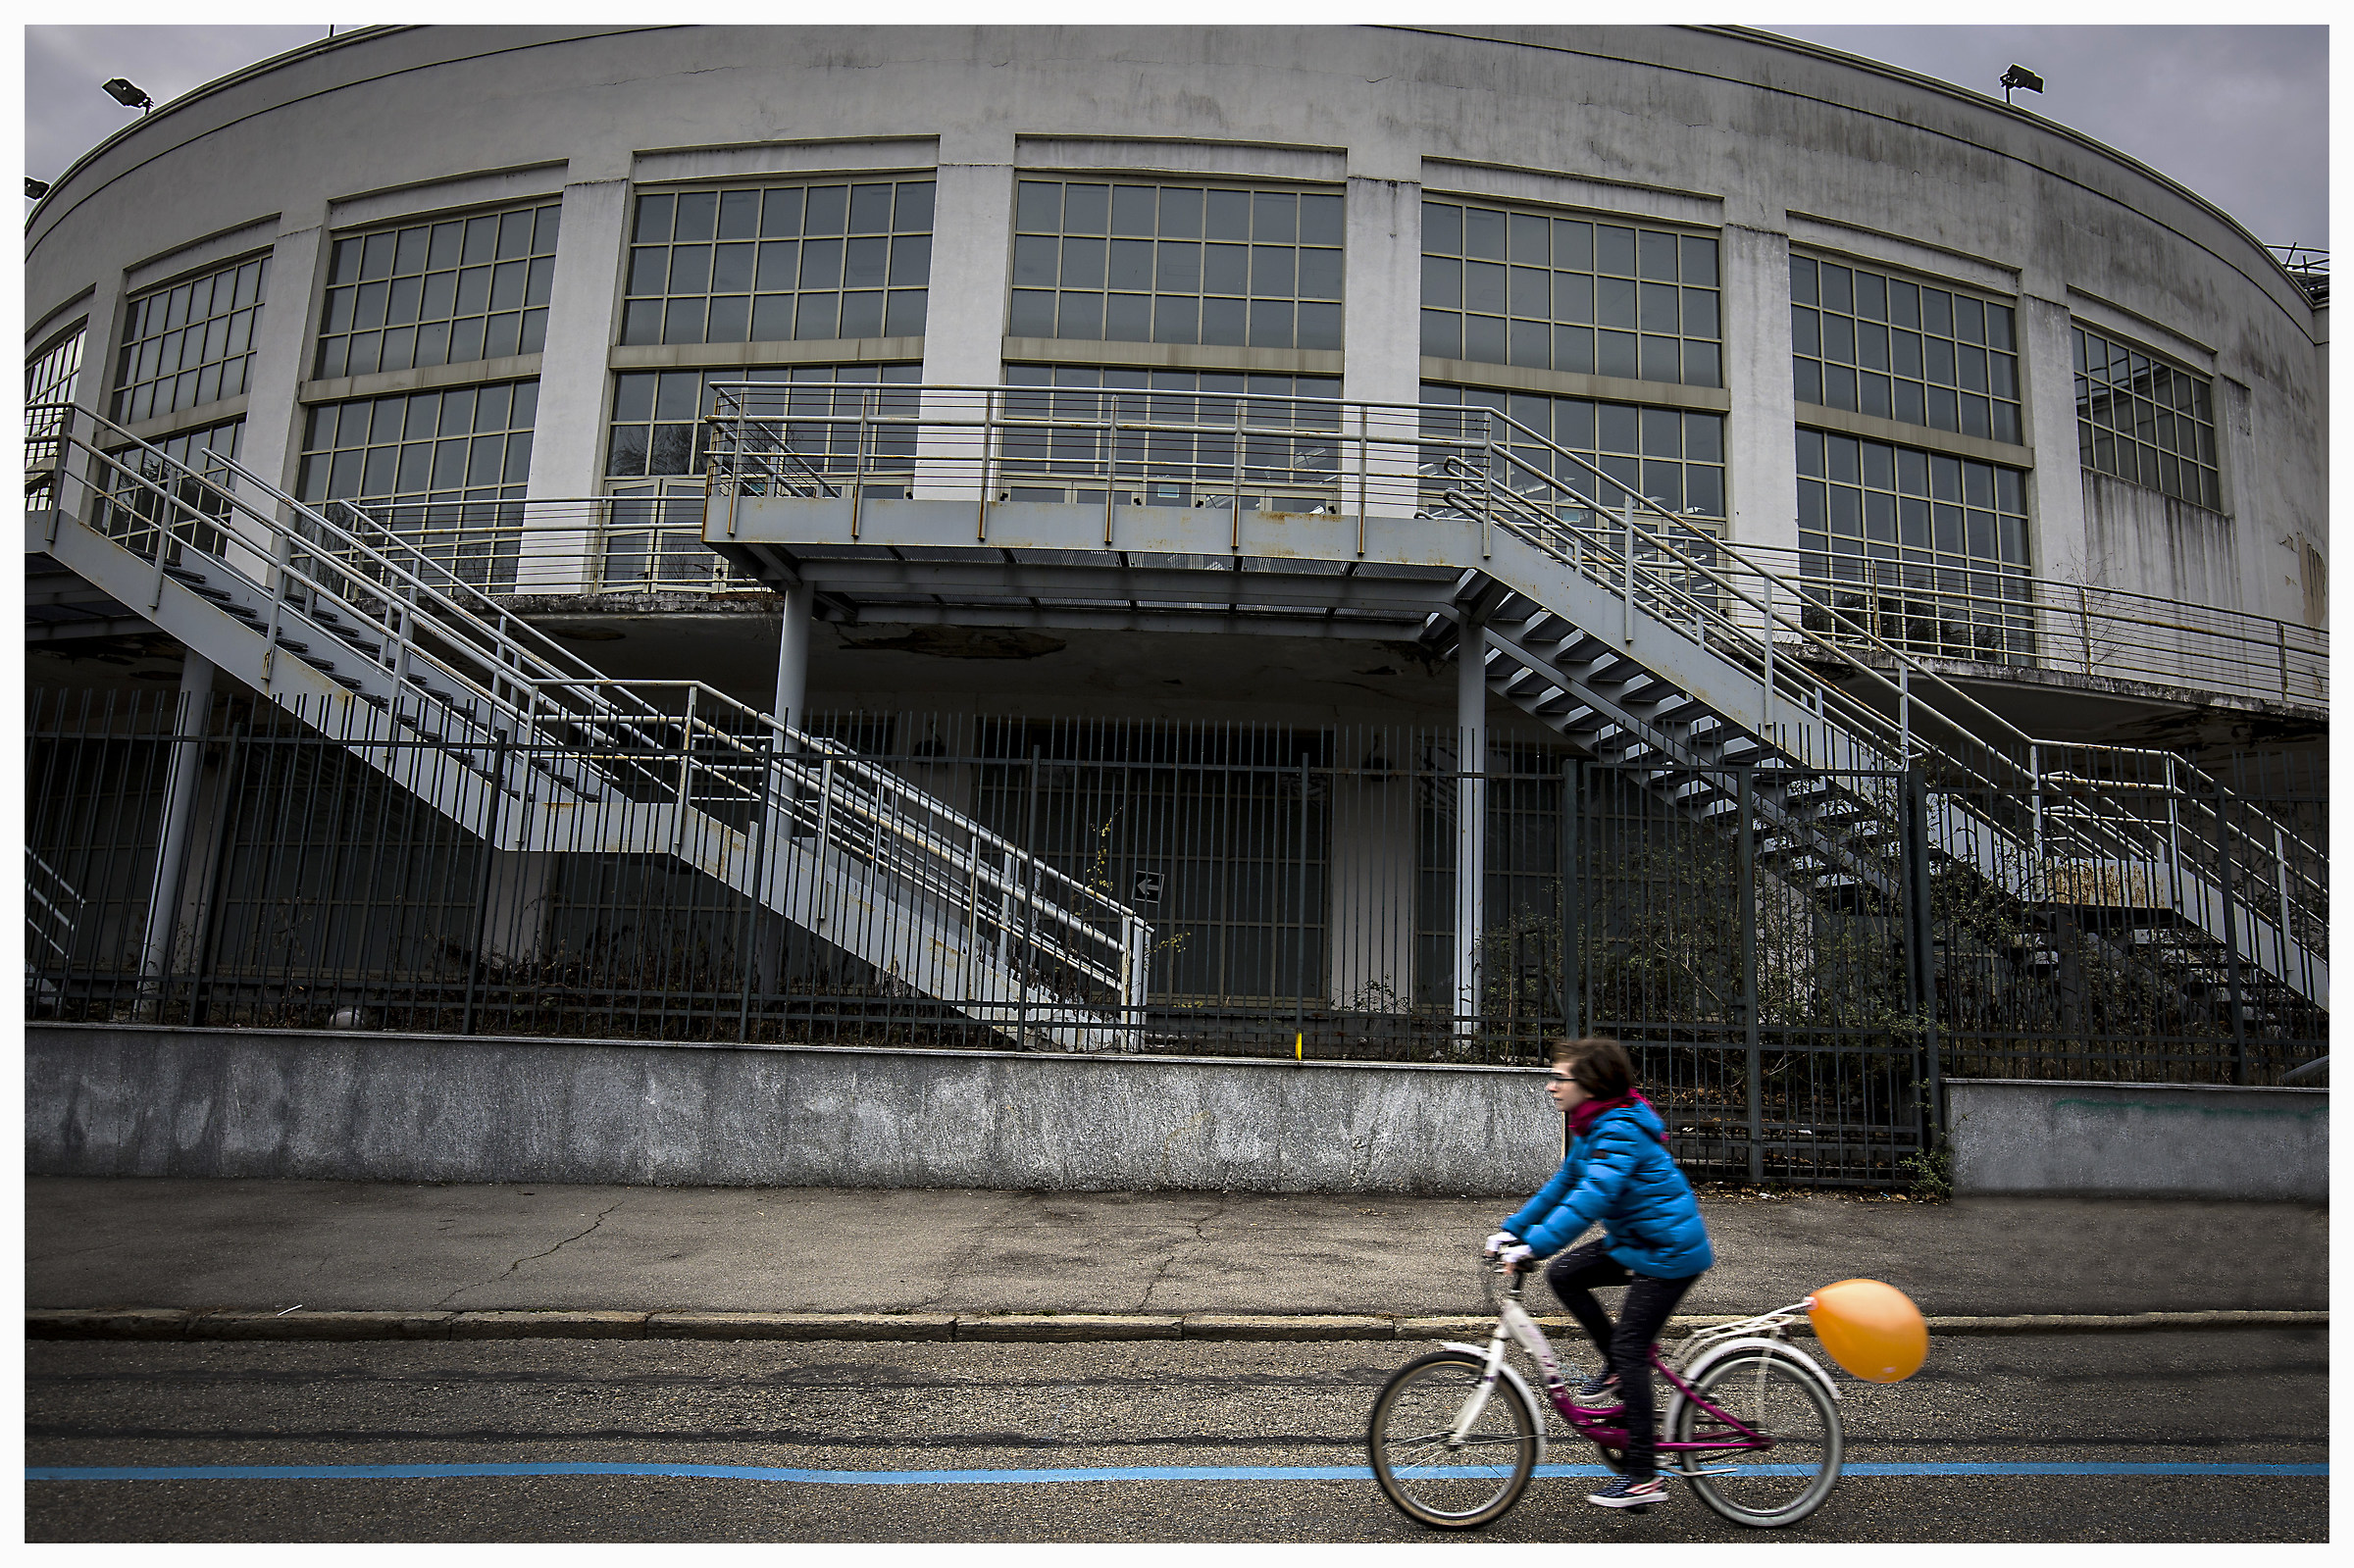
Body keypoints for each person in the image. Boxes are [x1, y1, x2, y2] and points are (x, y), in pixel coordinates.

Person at [1483, 1036, 1714, 1510]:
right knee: (1565, 1274)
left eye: (1560, 1077)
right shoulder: (1593, 1125)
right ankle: (1617, 1366)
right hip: (1638, 1244)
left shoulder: (1620, 1129)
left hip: (1667, 1253)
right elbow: (1565, 1184)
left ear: (1589, 1084)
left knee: (1630, 1345)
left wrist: (1537, 1245)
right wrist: (1512, 1230)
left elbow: (1594, 1197)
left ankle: (1643, 1476)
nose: (1551, 1086)